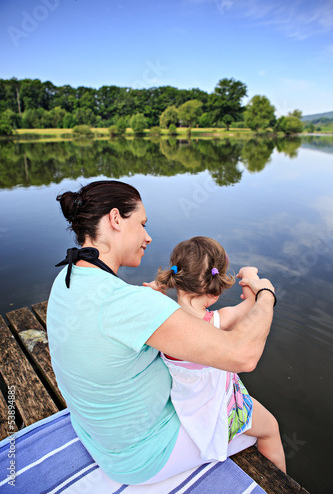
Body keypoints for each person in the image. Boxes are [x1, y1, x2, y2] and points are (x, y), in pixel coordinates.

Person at [47, 179, 280, 486]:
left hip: (99, 437)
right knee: (269, 427)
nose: (148, 237)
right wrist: (265, 294)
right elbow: (243, 355)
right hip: (142, 455)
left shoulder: (68, 275)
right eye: (142, 224)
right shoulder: (127, 302)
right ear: (116, 219)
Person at [144, 236, 286, 472]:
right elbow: (253, 303)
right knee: (271, 428)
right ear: (215, 289)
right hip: (220, 410)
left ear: (177, 279)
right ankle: (282, 485)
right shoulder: (218, 321)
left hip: (187, 406)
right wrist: (250, 276)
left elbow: (153, 294)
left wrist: (157, 290)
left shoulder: (162, 318)